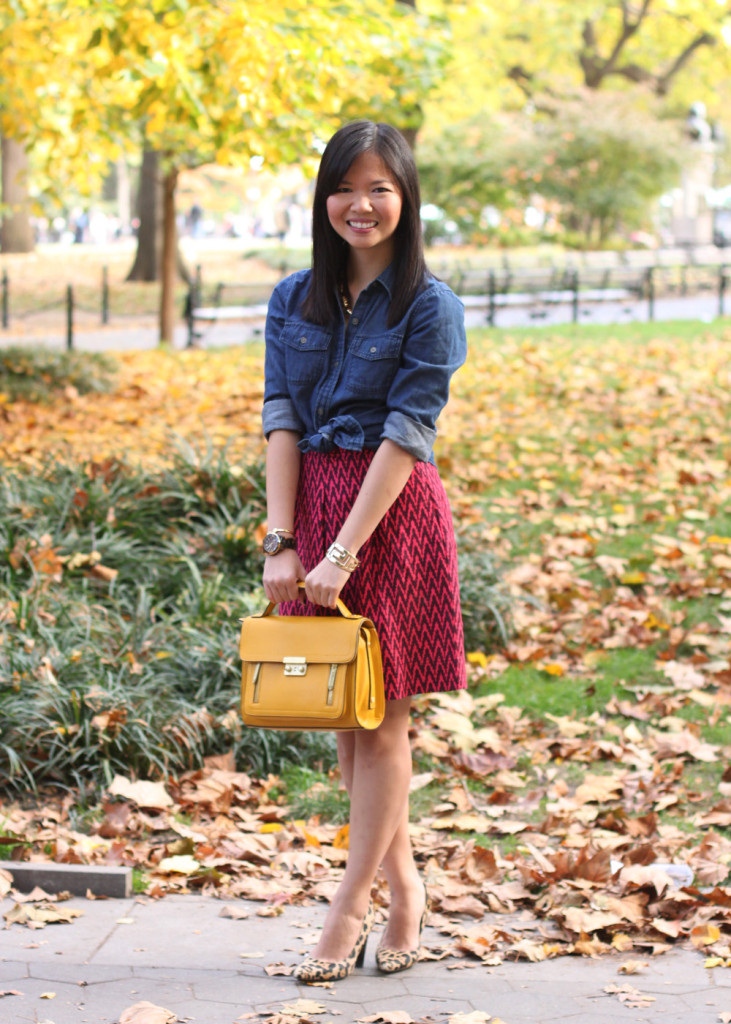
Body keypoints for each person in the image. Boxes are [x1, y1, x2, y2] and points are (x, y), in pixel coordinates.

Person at [261, 120, 467, 984]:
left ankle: (346, 911)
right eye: (345, 187)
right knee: (347, 729)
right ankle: (407, 892)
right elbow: (281, 418)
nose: (361, 204)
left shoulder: (430, 305)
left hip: (390, 519)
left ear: (405, 197)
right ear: (325, 199)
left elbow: (407, 434)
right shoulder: (292, 298)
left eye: (379, 187)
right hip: (313, 513)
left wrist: (342, 552)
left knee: (381, 722)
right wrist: (281, 540)